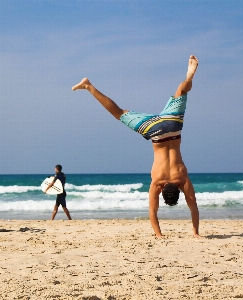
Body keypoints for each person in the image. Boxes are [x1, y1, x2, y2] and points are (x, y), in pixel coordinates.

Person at [72, 55, 201, 238]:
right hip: (154, 132)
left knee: (182, 91)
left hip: (172, 126)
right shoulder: (158, 182)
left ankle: (188, 77)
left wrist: (195, 232)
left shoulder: (182, 179)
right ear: (163, 191)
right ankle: (88, 86)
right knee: (119, 113)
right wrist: (159, 234)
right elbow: (153, 211)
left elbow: (193, 206)